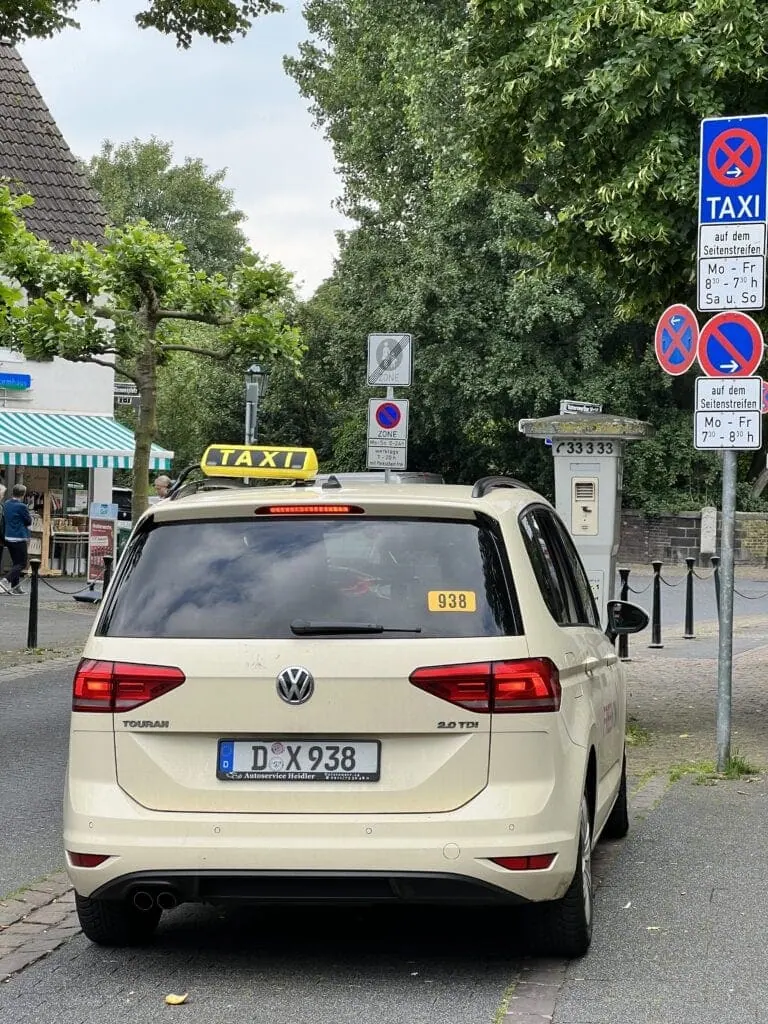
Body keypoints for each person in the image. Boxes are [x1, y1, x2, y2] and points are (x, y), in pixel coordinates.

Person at [0, 484, 32, 596]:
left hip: (8, 536)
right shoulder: (22, 506)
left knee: (16, 562)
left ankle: (16, 587)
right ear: (23, 494)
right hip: (19, 537)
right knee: (22, 563)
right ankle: (5, 580)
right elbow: (28, 521)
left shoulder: (7, 504)